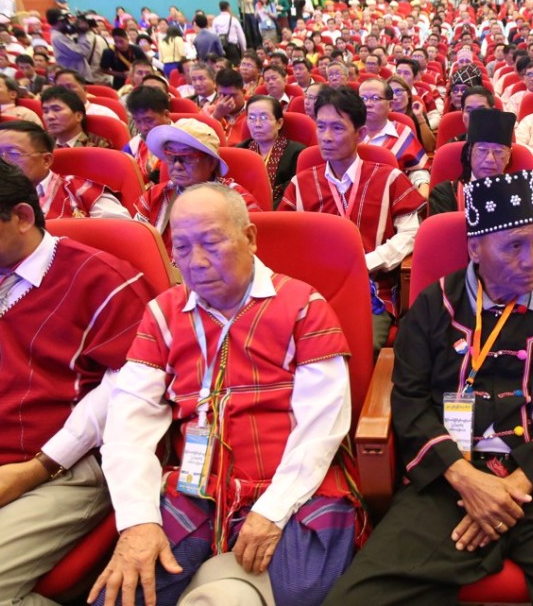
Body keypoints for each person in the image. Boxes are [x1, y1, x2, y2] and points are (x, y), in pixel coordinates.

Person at [325, 169, 533, 606]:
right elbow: (409, 399)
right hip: (447, 481)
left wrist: (513, 486)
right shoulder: (434, 304)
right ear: (475, 248)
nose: (531, 259)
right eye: (513, 245)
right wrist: (467, 481)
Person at [89, 183, 356, 606]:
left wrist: (272, 509)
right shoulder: (162, 314)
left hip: (292, 476)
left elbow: (322, 426)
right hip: (199, 483)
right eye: (181, 247)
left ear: (250, 237)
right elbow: (129, 425)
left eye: (211, 243)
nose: (195, 262)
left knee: (309, 592)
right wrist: (138, 521)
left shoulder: (302, 305)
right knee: (127, 594)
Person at [0, 151, 150, 605]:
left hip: (60, 468)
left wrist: (35, 470)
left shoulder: (101, 278)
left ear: (22, 216)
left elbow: (127, 386)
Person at [279, 86, 423, 352]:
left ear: (361, 133)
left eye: (337, 128)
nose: (326, 137)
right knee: (288, 348)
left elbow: (411, 233)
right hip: (312, 291)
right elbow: (287, 245)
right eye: (321, 127)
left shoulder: (389, 178)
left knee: (359, 348)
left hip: (371, 291)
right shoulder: (301, 184)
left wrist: (366, 262)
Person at [133, 119, 261, 250]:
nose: (177, 165)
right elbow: (136, 246)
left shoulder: (238, 200)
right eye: (171, 156)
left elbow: (250, 253)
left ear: (211, 163)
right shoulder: (155, 196)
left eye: (188, 157)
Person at [0, 120, 130, 219]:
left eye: (14, 153)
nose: (1, 160)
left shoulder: (79, 191)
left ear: (46, 160)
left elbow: (123, 234)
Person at [429, 107, 517, 215]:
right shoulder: (446, 194)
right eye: (482, 150)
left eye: (498, 151)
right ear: (470, 152)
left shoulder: (521, 194)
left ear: (509, 156)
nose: (490, 159)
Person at [358, 78, 429, 197]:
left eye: (375, 98)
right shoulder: (347, 133)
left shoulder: (402, 133)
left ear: (390, 105)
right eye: (363, 99)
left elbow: (417, 170)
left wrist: (423, 189)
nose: (367, 104)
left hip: (391, 198)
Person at [237, 95, 304, 208]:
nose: (257, 124)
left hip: (280, 214)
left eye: (264, 118)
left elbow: (293, 195)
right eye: (251, 118)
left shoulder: (297, 153)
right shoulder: (240, 151)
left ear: (279, 123)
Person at [124, 85, 172, 182]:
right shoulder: (134, 145)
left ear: (166, 115)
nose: (143, 127)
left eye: (148, 120)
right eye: (138, 121)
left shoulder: (184, 142)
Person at [40, 86, 113, 149]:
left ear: (78, 116)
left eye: (57, 109)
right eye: (45, 111)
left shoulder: (99, 146)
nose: (49, 116)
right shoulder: (40, 142)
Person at [54, 70, 120, 120]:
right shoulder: (53, 117)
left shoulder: (104, 114)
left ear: (85, 89)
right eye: (60, 88)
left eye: (70, 86)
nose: (65, 91)